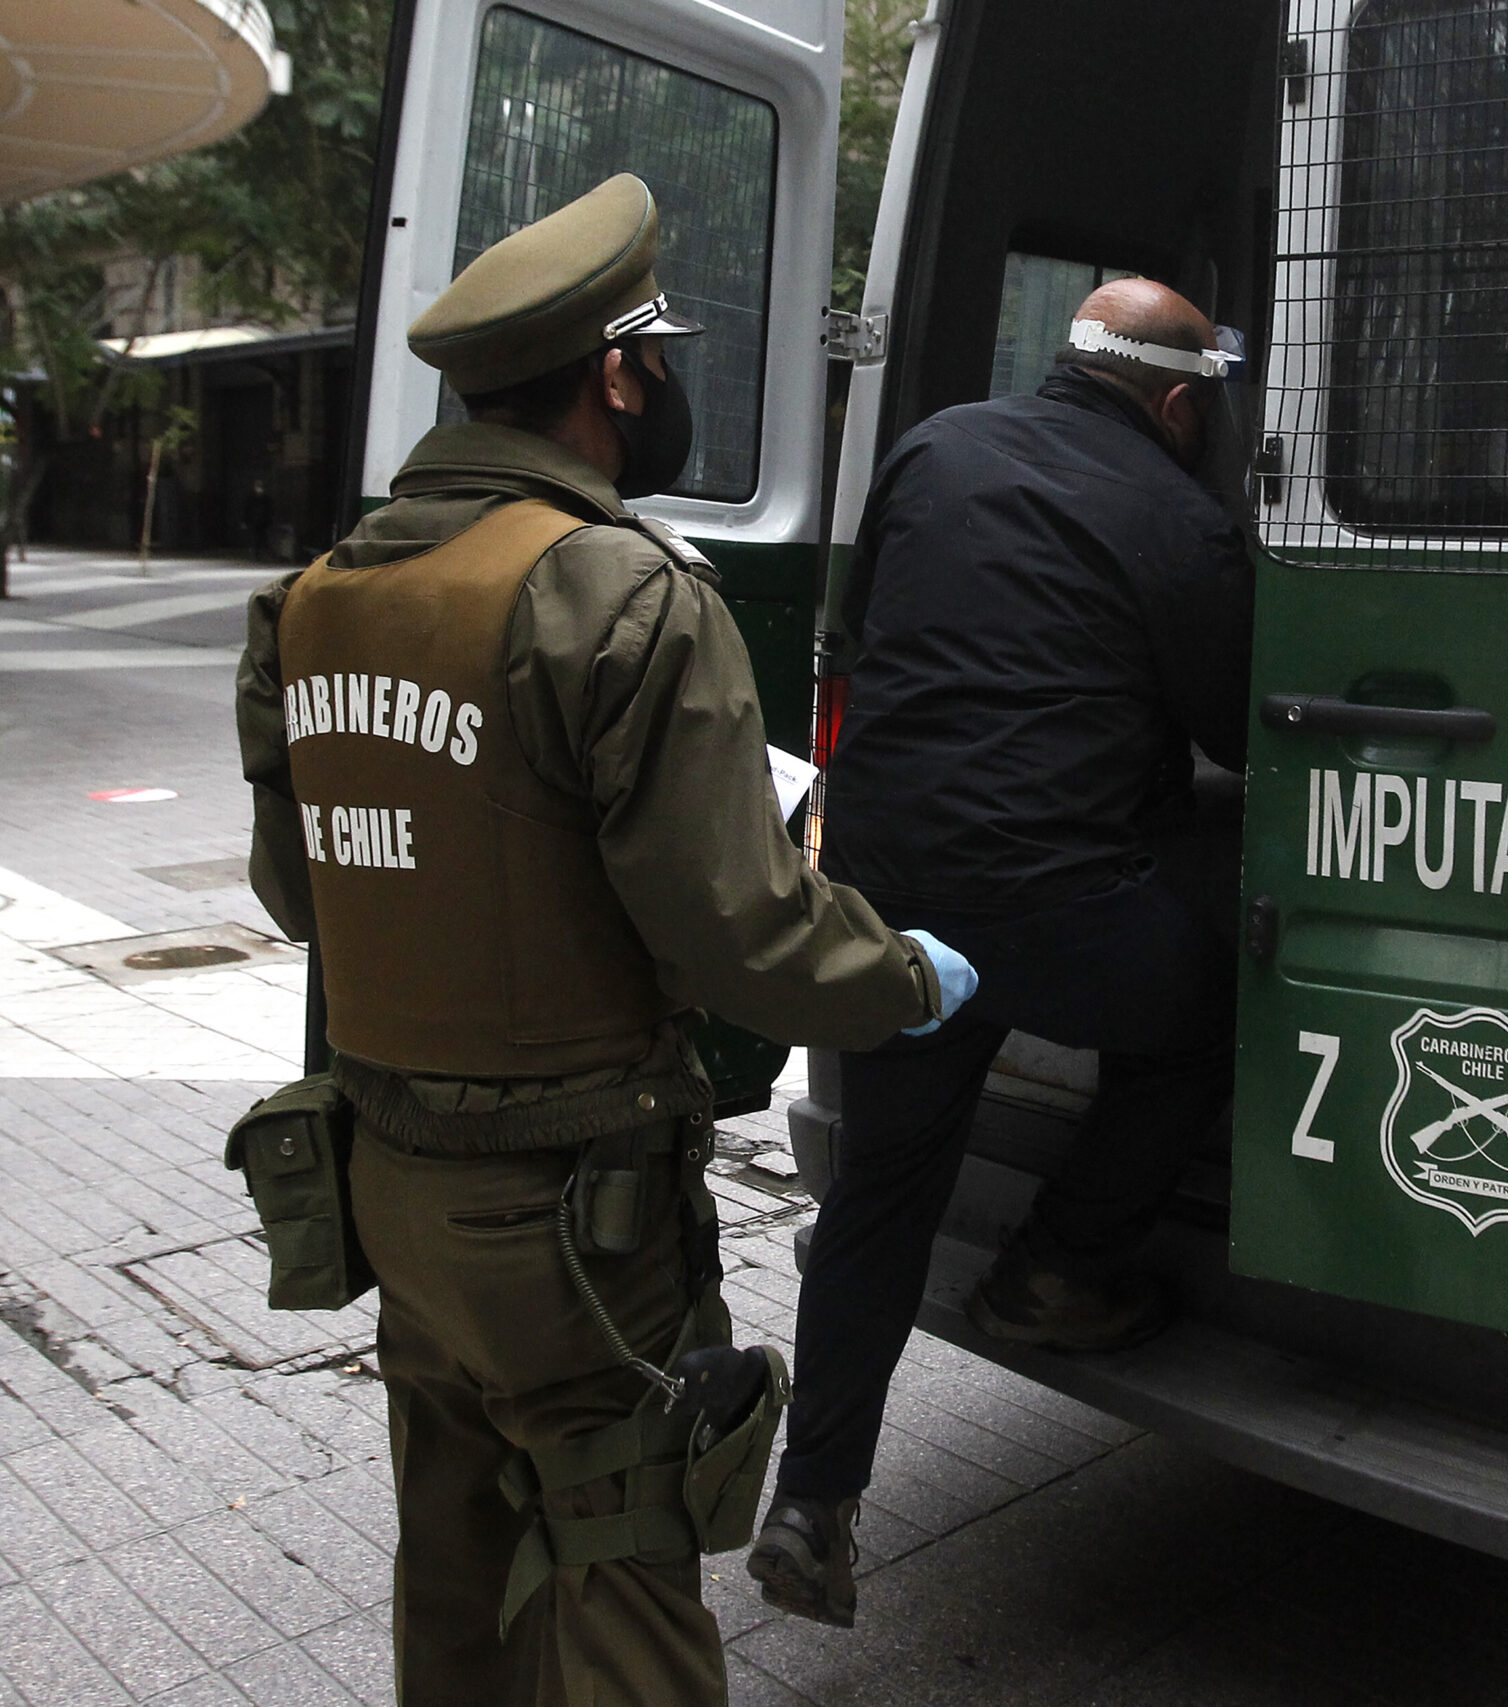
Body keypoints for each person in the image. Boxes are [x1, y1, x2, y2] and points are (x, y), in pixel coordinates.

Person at [234, 173, 978, 1706]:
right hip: (578, 1221)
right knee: (624, 1580)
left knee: (456, 1584)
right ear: (619, 375)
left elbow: (305, 897)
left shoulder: (317, 597)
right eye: (663, 361)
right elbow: (739, 932)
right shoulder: (617, 591)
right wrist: (902, 977)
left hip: (391, 1189)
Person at [748, 278, 1253, 1625]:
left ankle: (813, 1502)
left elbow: (876, 635)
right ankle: (1058, 1268)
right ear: (1181, 405)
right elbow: (1239, 725)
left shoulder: (934, 447)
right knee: (1207, 1010)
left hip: (889, 905)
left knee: (881, 1191)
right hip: (1052, 912)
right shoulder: (1179, 518)